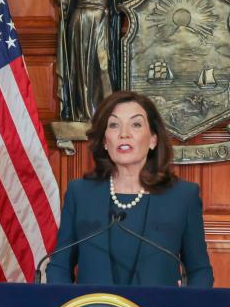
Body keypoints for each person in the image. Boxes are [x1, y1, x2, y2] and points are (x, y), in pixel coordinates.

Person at [45, 90, 213, 287]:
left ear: (153, 139)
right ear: (105, 141)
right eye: (114, 125)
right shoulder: (80, 193)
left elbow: (199, 270)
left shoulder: (183, 197)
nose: (124, 134)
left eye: (136, 124)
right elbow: (59, 266)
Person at [51, 0, 144, 121]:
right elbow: (64, 3)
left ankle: (106, 112)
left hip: (101, 22)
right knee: (81, 69)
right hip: (79, 23)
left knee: (103, 66)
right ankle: (81, 112)